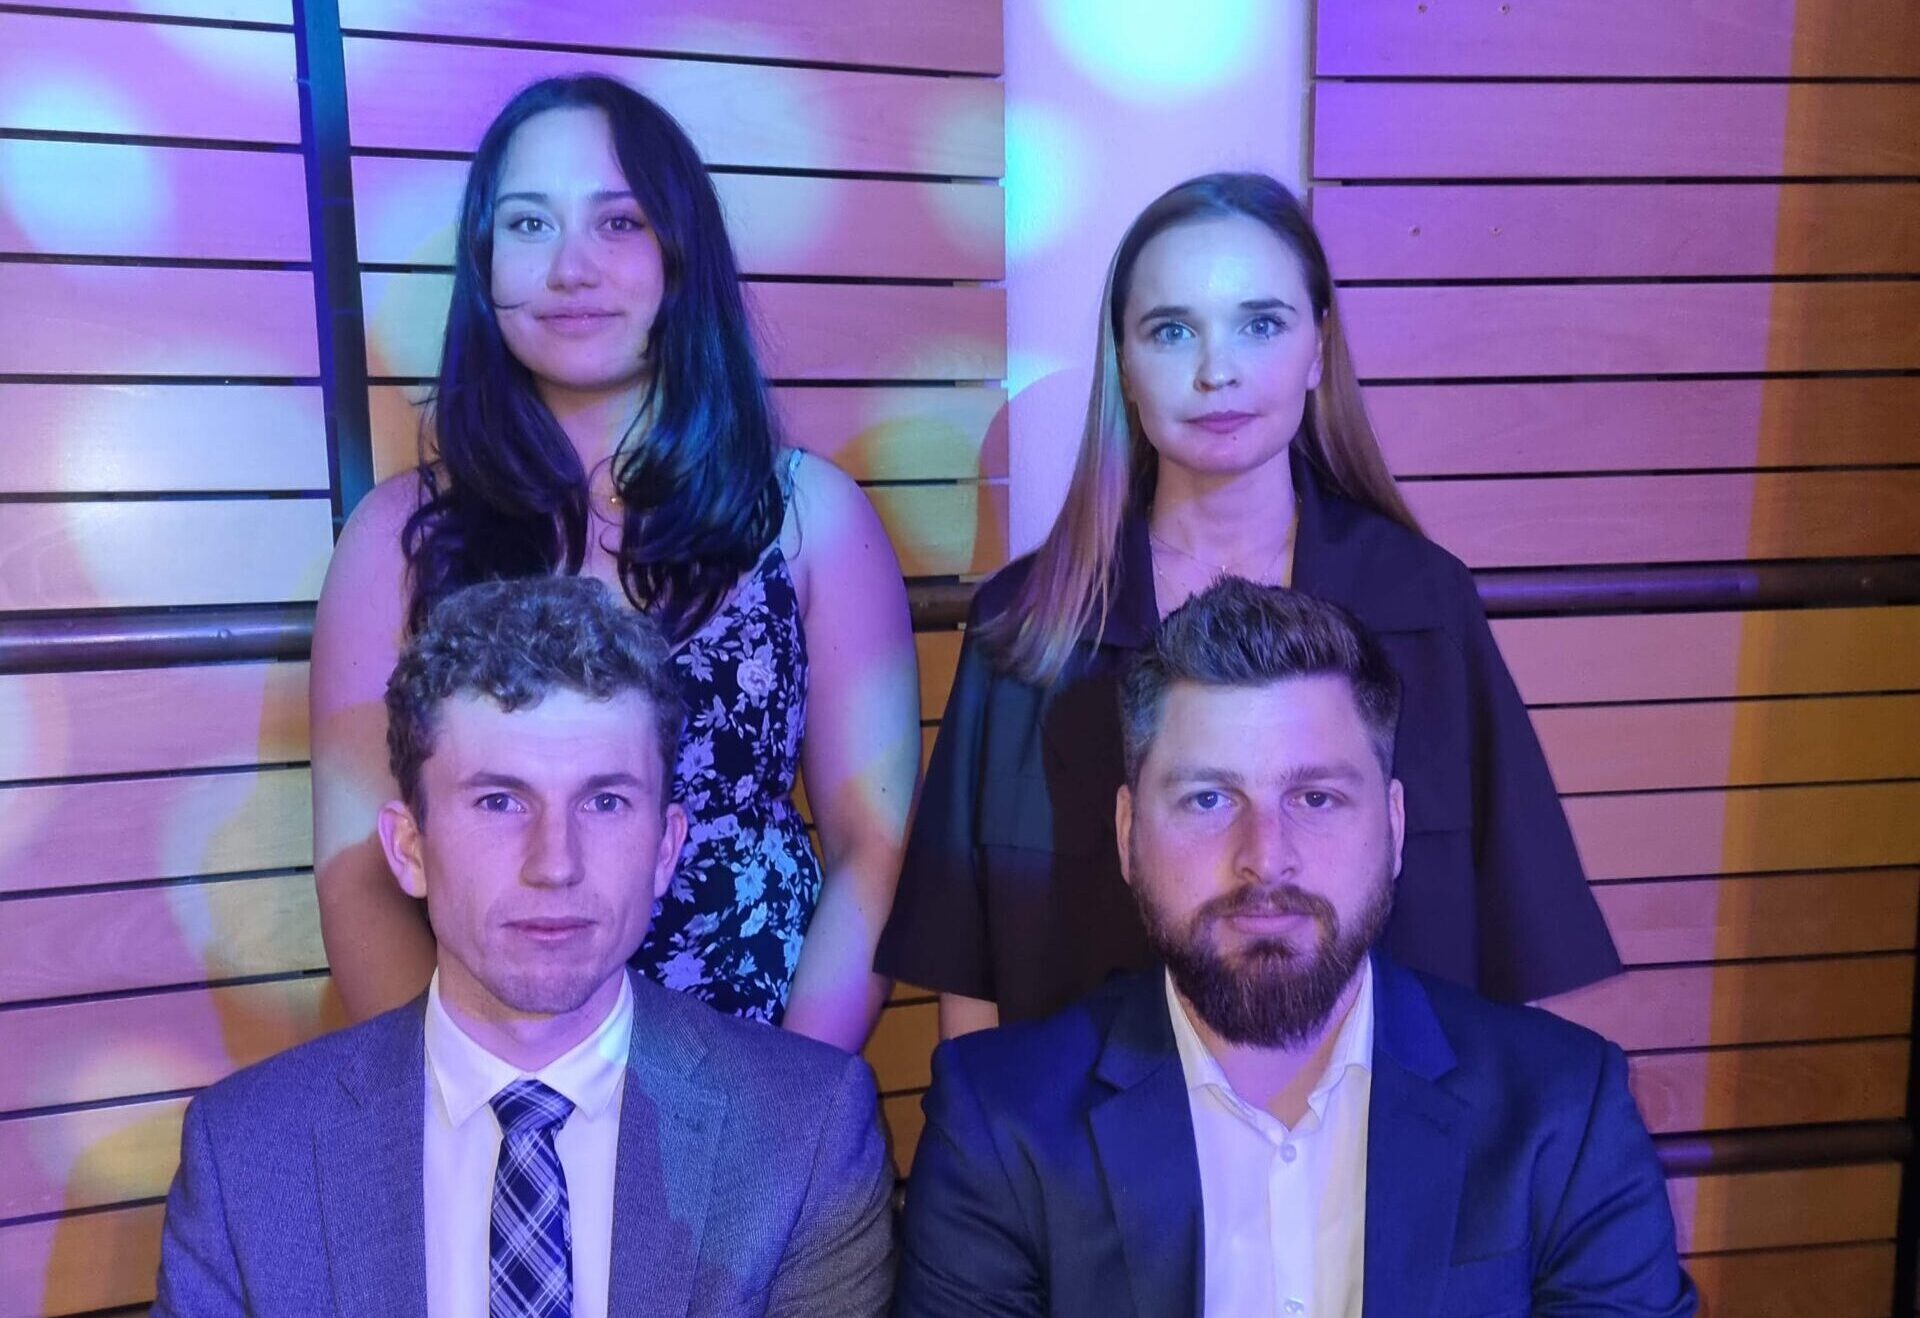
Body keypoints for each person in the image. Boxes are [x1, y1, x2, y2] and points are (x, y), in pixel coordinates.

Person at [877, 172, 1618, 1036]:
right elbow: (968, 972)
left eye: (1260, 324)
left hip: (1379, 1119)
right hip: (1095, 1122)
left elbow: (1515, 948)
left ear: (1318, 350)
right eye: (1172, 331)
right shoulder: (1029, 627)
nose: (1216, 372)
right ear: (1124, 364)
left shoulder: (1426, 605)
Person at [311, 75, 919, 1049]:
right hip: (490, 1083)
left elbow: (875, 853)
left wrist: (793, 1100)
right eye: (529, 224)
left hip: (758, 1061)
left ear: (680, 254)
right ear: (483, 263)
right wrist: (469, 1096)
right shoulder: (396, 540)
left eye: (619, 222)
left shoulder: (811, 520)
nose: (571, 267)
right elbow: (358, 871)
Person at [895, 579, 1693, 1317]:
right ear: (1129, 833)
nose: (1266, 858)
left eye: (1315, 797)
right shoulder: (999, 1128)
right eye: (1209, 798)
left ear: (1394, 826)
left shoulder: (1565, 1117)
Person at [156, 578, 895, 1316]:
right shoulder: (246, 1159)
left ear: (666, 850)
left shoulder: (809, 1135)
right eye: (500, 802)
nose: (555, 864)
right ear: (409, 848)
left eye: (604, 802)